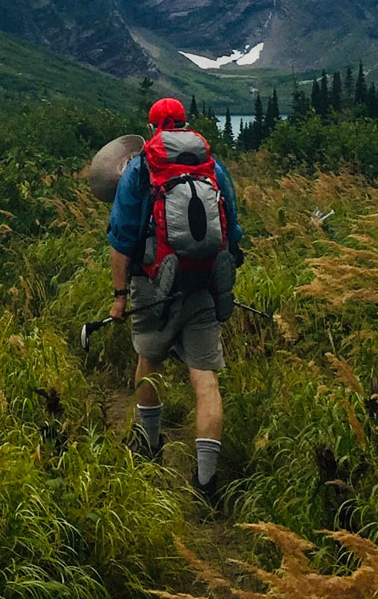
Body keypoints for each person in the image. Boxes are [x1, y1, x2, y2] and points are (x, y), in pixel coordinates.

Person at [107, 97, 243, 499]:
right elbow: (231, 234)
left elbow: (121, 240)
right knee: (206, 380)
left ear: (153, 129)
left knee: (149, 362)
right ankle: (206, 483)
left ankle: (148, 448)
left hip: (154, 286)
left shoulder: (140, 167)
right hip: (202, 283)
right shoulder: (213, 167)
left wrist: (118, 297)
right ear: (186, 124)